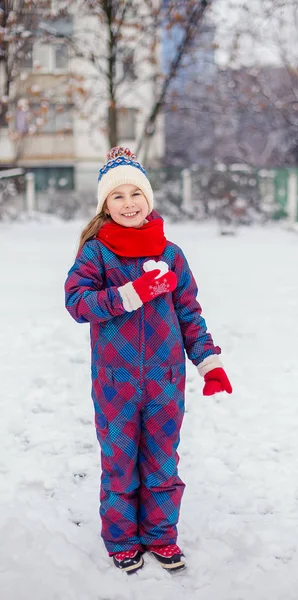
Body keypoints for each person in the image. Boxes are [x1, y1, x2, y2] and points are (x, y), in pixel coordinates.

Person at [64, 147, 232, 574]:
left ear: (149, 198)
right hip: (115, 380)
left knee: (162, 460)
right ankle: (121, 538)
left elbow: (189, 312)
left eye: (134, 193)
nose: (128, 203)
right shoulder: (97, 254)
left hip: (166, 379)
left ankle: (160, 535)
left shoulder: (171, 254)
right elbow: (77, 302)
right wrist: (129, 294)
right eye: (116, 196)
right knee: (119, 462)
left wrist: (208, 362)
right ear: (105, 205)